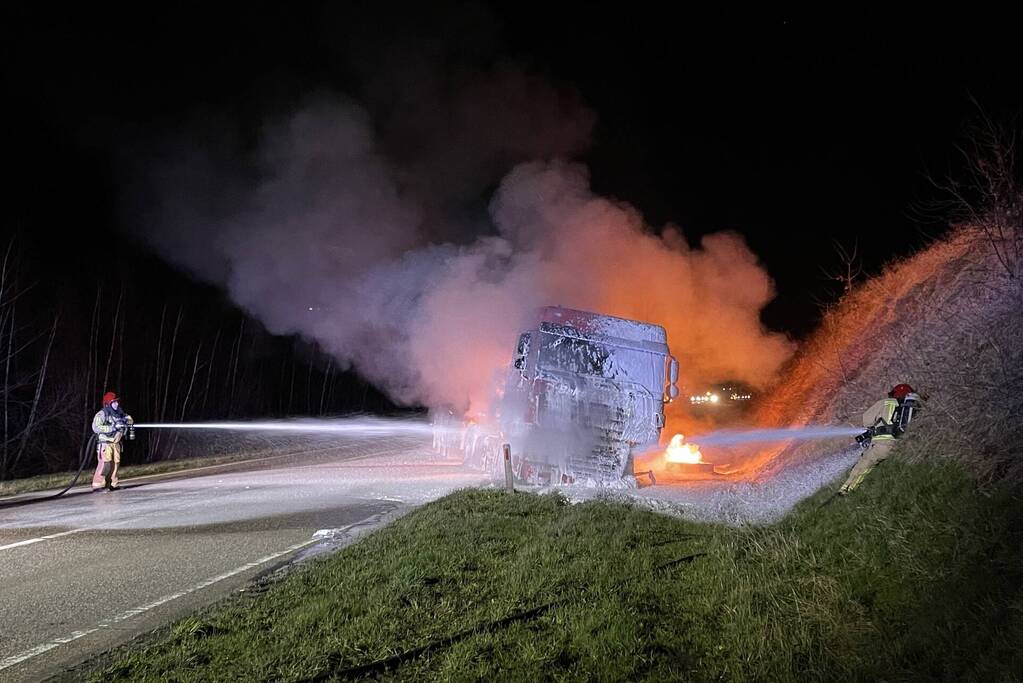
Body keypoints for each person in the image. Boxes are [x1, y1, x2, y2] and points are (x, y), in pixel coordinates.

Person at [838, 383, 921, 495]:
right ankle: (847, 490)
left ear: (894, 393)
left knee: (862, 467)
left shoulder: (885, 403)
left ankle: (847, 491)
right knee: (868, 466)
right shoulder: (909, 408)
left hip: (882, 445)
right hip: (900, 444)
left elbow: (866, 421)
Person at [91, 391, 133, 491]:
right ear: (108, 403)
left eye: (117, 402)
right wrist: (111, 428)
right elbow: (96, 427)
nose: (117, 404)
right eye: (114, 402)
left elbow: (129, 419)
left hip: (116, 443)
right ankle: (98, 485)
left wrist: (127, 421)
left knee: (116, 464)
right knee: (105, 464)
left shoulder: (119, 413)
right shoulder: (102, 414)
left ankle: (113, 484)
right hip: (106, 444)